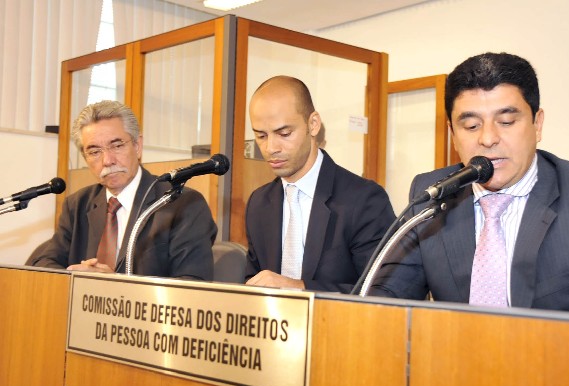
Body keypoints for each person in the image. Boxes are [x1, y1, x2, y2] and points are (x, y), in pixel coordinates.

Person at [370, 52, 569, 315]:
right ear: (452, 133)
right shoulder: (433, 193)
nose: (488, 139)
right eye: (471, 126)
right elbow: (384, 300)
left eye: (506, 121)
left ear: (537, 124)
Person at [29, 100, 217, 280]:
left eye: (117, 146)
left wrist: (116, 285)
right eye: (94, 152)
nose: (107, 161)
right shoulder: (78, 204)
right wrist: (77, 277)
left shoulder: (182, 204)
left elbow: (192, 281)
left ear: (137, 146)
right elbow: (44, 263)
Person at [245, 76, 395, 293]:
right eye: (260, 136)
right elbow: (252, 281)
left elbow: (384, 291)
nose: (270, 147)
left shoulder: (363, 200)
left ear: (313, 124)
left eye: (284, 134)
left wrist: (299, 288)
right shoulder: (259, 203)